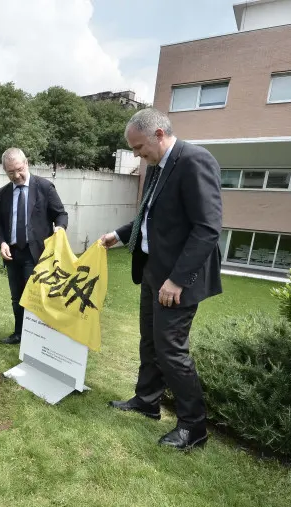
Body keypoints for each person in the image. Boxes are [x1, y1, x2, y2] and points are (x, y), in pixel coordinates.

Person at [100, 108, 222, 451]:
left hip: (178, 278)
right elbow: (150, 214)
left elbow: (208, 228)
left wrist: (178, 280)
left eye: (139, 148)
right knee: (150, 342)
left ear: (158, 134)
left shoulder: (195, 160)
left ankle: (193, 428)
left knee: (172, 350)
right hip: (154, 269)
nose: (138, 156)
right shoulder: (157, 166)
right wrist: (120, 235)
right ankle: (147, 401)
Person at [0, 147, 68, 345]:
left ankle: (37, 340)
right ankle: (19, 334)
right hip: (12, 254)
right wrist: (2, 243)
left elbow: (61, 214)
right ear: (5, 171)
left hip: (36, 255)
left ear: (26, 163)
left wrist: (60, 228)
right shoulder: (4, 193)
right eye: (10, 172)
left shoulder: (44, 187)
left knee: (35, 299)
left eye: (19, 169)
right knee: (17, 297)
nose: (16, 175)